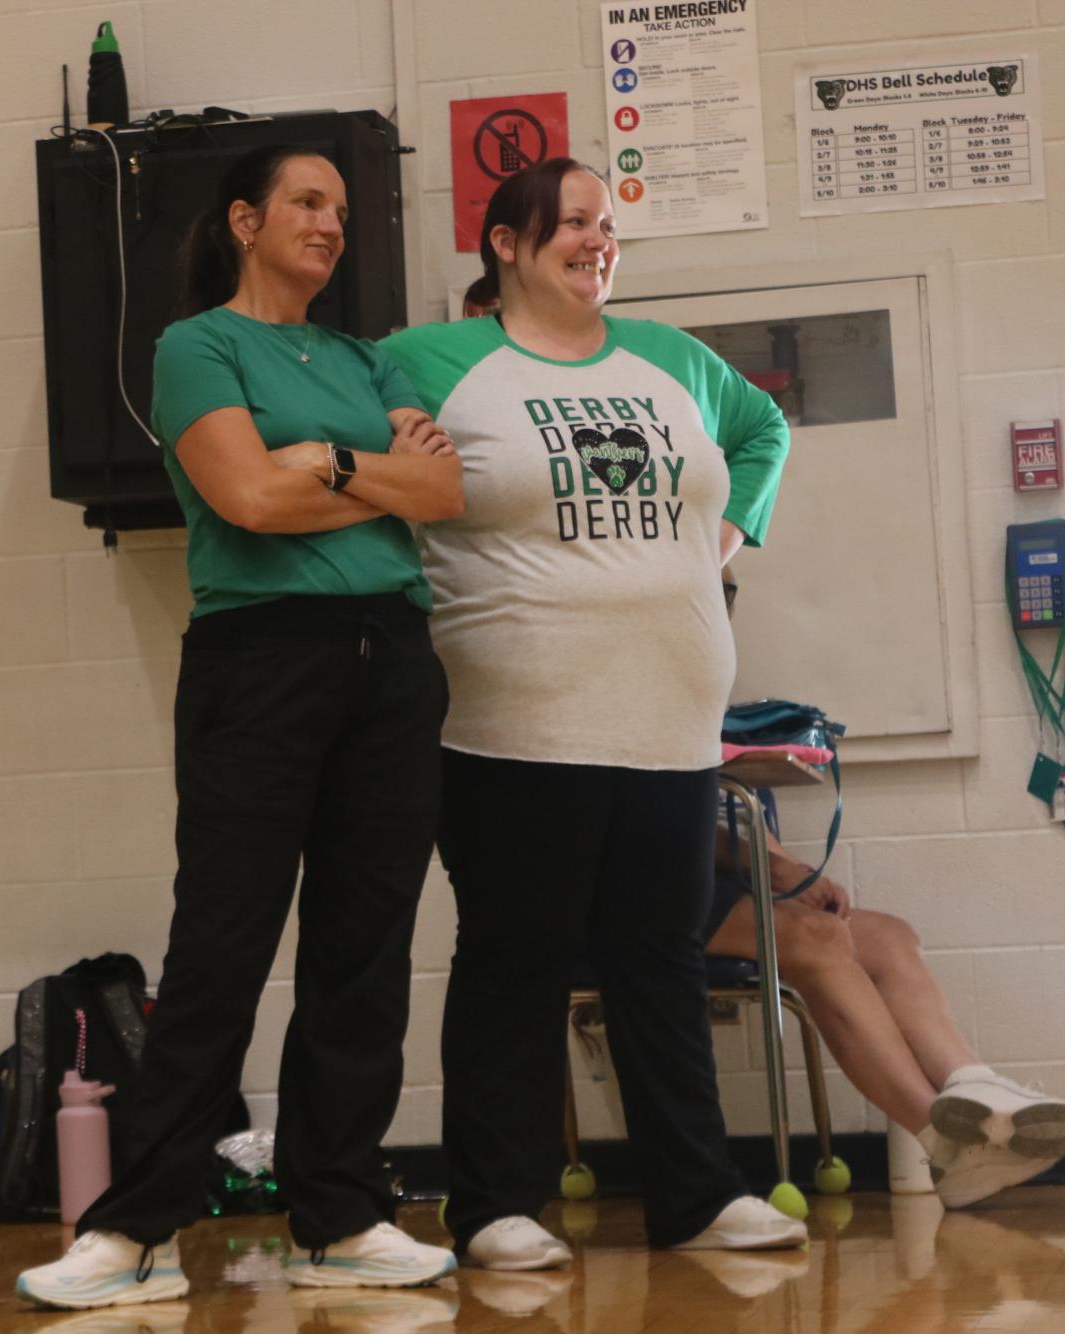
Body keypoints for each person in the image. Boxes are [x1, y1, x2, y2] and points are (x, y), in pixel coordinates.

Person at [16, 144, 465, 1310]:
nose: (331, 223)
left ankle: (342, 1212)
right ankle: (139, 1229)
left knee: (361, 951)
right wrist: (358, 471)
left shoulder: (369, 357)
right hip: (261, 660)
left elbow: (442, 494)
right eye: (308, 203)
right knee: (222, 946)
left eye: (342, 209)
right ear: (244, 220)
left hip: (393, 660)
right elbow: (248, 499)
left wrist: (326, 456)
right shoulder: (196, 346)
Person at [379, 157, 804, 1270]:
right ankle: (492, 1203)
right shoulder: (431, 361)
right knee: (515, 958)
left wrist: (717, 546)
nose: (596, 241)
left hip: (669, 719)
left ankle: (696, 1193)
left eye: (607, 226)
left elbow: (765, 431)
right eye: (571, 222)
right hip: (514, 723)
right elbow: (365, 468)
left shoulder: (673, 360)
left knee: (659, 959)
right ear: (506, 244)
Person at [704, 730, 1065, 1207]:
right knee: (820, 939)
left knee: (890, 937)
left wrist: (794, 873)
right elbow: (664, 832)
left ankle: (972, 1081)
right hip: (648, 898)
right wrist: (766, 865)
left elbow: (727, 810)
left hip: (719, 878)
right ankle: (948, 1145)